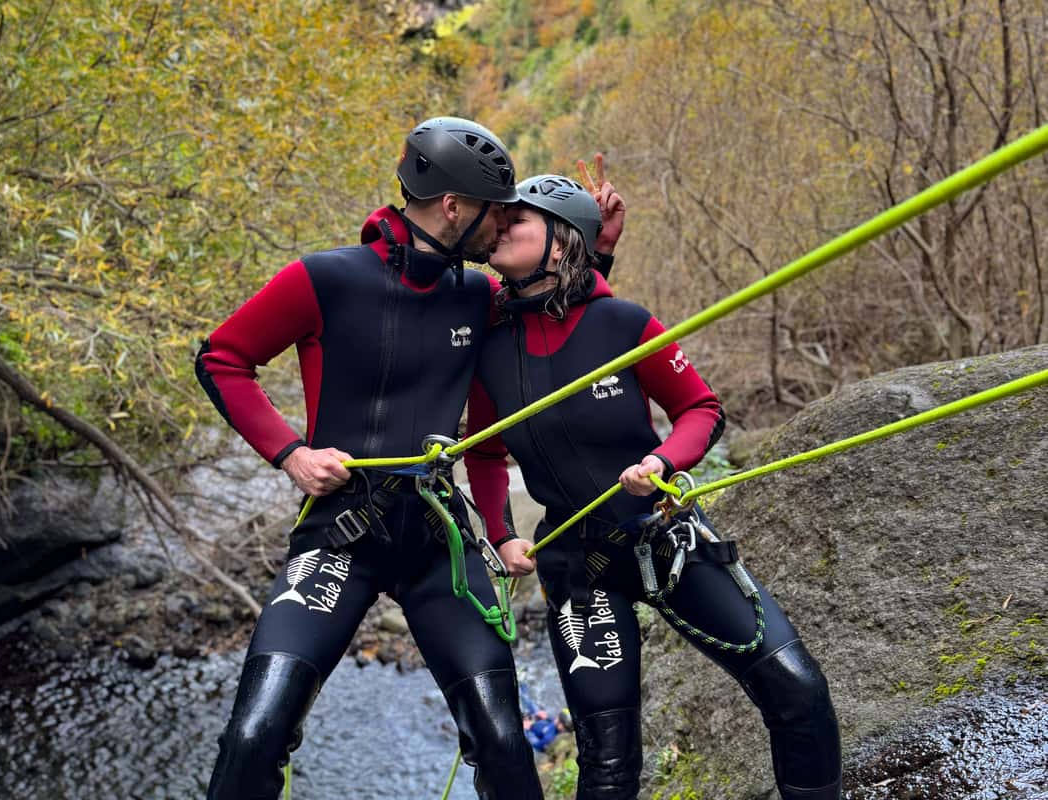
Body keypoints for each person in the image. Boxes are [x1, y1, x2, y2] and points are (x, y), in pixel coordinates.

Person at [195, 116, 546, 800]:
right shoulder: (324, 280)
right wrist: (290, 453)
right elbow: (222, 357)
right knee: (253, 735)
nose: (501, 226)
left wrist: (601, 245)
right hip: (340, 536)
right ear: (453, 206)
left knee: (502, 737)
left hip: (436, 539)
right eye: (494, 211)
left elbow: (558, 316)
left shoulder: (478, 296)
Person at [465, 173, 843, 799]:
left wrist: (663, 463)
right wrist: (502, 535)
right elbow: (483, 451)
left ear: (560, 244)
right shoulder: (491, 345)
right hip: (579, 562)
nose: (498, 229)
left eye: (517, 221)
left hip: (664, 537)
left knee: (798, 689)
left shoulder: (623, 324)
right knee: (609, 767)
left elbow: (702, 409)